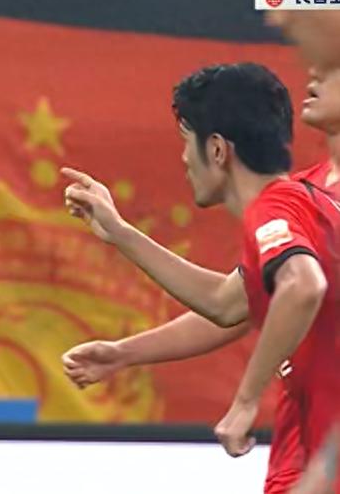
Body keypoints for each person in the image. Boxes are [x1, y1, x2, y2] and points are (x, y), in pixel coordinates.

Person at [63, 63, 340, 493]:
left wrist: (246, 399)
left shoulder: (284, 205)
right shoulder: (308, 196)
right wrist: (123, 352)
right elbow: (229, 303)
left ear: (216, 150)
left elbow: (301, 286)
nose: (313, 74)